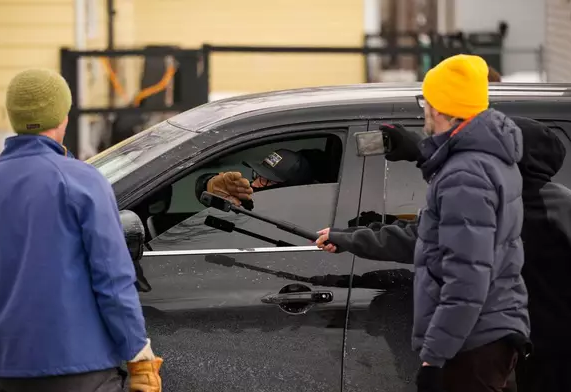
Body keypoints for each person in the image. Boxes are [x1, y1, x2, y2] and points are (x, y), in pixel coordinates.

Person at [318, 54, 530, 392]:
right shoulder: (487, 162)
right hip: (488, 334)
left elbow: (466, 277)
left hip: (471, 345)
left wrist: (434, 358)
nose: (423, 111)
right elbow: (427, 239)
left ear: (442, 108)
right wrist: (349, 238)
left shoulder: (465, 175)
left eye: (426, 102)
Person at [0, 68, 162, 392]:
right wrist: (139, 355)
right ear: (62, 117)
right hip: (85, 371)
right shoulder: (85, 183)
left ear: (14, 117)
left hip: (10, 371)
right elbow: (113, 281)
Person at [194, 148, 322, 208]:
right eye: (257, 175)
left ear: (287, 189)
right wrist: (209, 184)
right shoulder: (253, 199)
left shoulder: (293, 217)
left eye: (266, 180)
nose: (254, 183)